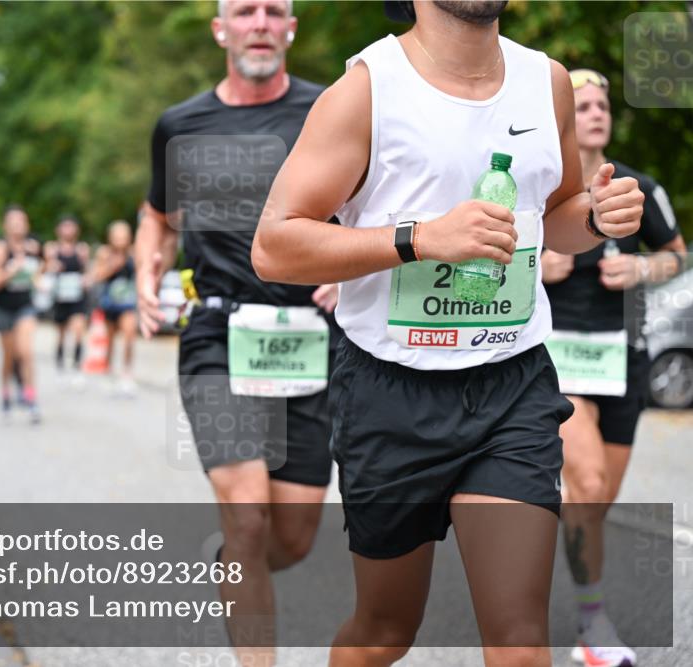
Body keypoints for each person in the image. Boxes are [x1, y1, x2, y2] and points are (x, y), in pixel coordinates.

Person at [250, 1, 646, 665]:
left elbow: (557, 217)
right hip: (388, 391)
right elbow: (274, 245)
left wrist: (599, 217)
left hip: (511, 384)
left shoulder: (546, 81)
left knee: (520, 640)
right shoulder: (367, 89)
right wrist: (420, 239)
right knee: (384, 632)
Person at [135, 1, 339, 663]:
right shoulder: (180, 124)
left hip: (310, 338)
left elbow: (376, 200)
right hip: (216, 336)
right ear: (221, 29)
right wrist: (147, 270)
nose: (259, 21)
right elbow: (157, 215)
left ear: (290, 30)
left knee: (294, 536)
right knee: (247, 510)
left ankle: (229, 560)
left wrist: (351, 268)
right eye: (243, 10)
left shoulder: (330, 112)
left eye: (273, 10)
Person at [542, 67, 687, 667]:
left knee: (593, 503)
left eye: (603, 103)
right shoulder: (542, 183)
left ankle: (536, 543)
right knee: (591, 483)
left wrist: (641, 270)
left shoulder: (638, 186)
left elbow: (677, 257)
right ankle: (593, 625)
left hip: (623, 357)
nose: (596, 111)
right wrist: (533, 265)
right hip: (559, 358)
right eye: (583, 103)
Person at [0, 205, 43, 421]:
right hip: (3, 308)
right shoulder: (0, 249)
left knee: (26, 352)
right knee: (9, 357)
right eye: (13, 221)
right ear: (6, 226)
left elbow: (38, 275)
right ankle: (6, 393)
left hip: (25, 307)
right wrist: (12, 270)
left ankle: (31, 398)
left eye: (22, 220)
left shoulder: (33, 248)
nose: (18, 225)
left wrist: (40, 279)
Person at [91, 220, 139, 395]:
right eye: (117, 236)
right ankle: (107, 370)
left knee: (129, 335)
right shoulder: (104, 253)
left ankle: (127, 373)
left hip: (128, 303)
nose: (120, 240)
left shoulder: (134, 253)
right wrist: (113, 266)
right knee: (110, 340)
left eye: (123, 236)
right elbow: (96, 276)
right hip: (110, 303)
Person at [47, 216, 90, 377]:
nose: (68, 230)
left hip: (77, 296)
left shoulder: (81, 249)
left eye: (71, 227)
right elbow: (44, 269)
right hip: (60, 296)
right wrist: (51, 267)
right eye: (65, 227)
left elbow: (87, 271)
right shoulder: (52, 249)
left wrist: (87, 279)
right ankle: (60, 360)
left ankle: (77, 362)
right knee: (61, 332)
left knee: (79, 329)